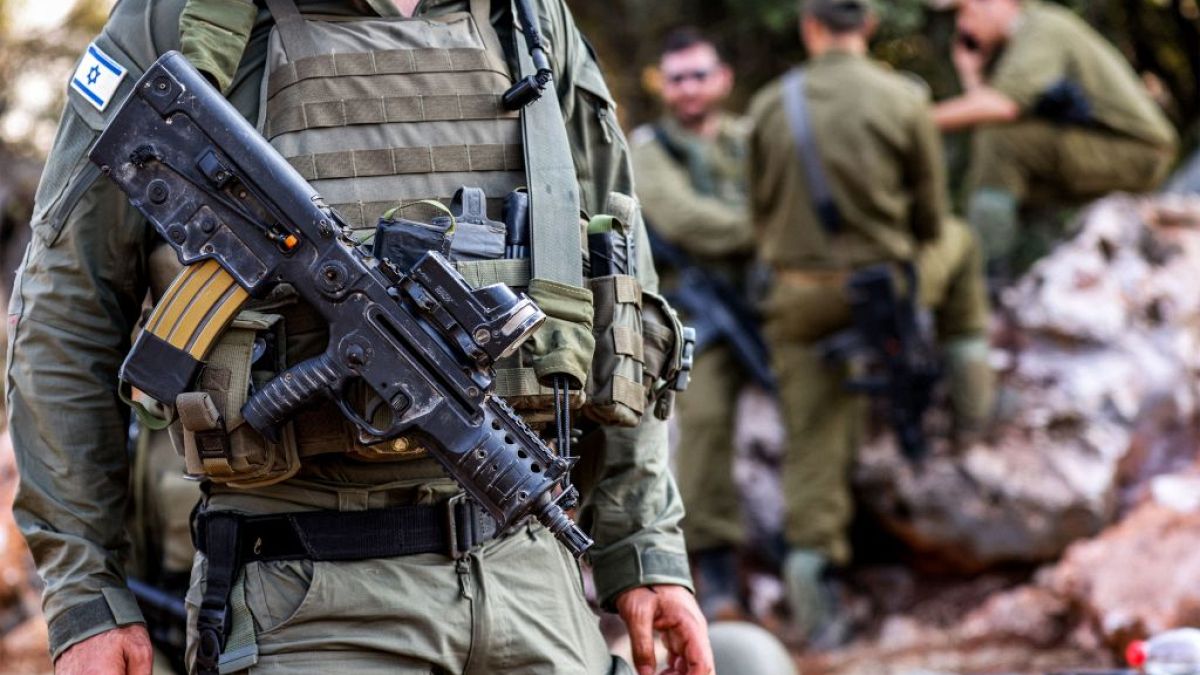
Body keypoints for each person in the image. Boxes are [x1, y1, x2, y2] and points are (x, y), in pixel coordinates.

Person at [7, 1, 714, 674]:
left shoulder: (527, 17)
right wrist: (87, 598)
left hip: (534, 574)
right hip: (305, 592)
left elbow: (621, 300)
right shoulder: (189, 18)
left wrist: (644, 550)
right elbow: (67, 318)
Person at [747, 0, 992, 644]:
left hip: (799, 300)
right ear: (870, 26)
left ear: (809, 26)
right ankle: (975, 397)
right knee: (962, 240)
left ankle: (814, 598)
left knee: (811, 439)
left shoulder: (771, 106)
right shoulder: (901, 98)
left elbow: (758, 213)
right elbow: (931, 222)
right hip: (884, 290)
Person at [629, 28, 756, 622]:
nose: (689, 88)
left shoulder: (749, 139)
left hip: (763, 297)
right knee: (703, 419)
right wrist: (768, 229)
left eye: (700, 74)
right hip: (694, 310)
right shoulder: (650, 148)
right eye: (677, 77)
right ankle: (716, 562)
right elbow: (687, 221)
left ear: (723, 78)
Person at [934, 0, 1178, 278]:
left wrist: (914, 119)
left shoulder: (1042, 28)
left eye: (965, 11)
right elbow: (990, 110)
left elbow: (1002, 107)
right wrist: (971, 74)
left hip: (1137, 151)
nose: (962, 25)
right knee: (1009, 177)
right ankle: (1026, 273)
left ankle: (983, 278)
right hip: (1107, 150)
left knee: (1000, 140)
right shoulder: (1015, 42)